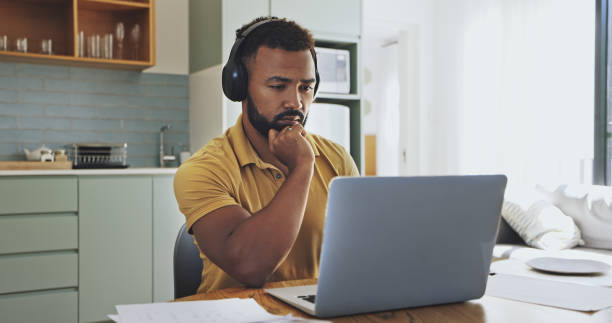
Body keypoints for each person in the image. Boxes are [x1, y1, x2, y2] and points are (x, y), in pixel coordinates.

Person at [174, 17, 359, 294]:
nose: (295, 102)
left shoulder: (336, 158)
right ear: (239, 86)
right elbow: (250, 266)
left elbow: (361, 252)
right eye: (277, 86)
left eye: (305, 87)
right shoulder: (202, 170)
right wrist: (302, 168)